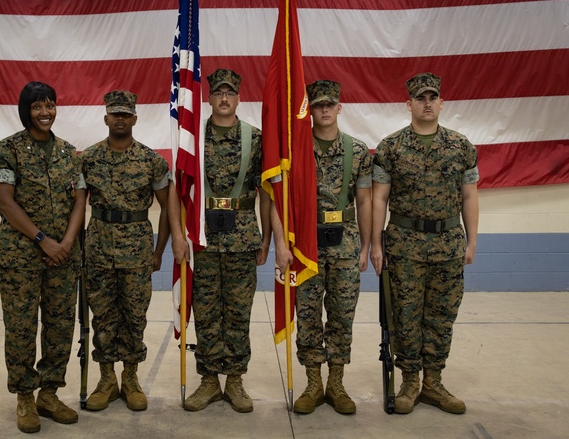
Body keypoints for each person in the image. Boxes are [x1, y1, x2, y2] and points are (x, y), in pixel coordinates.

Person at [168, 68, 281, 413]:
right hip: (202, 237)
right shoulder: (194, 139)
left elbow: (266, 193)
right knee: (205, 311)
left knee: (237, 311)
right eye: (218, 93)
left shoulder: (256, 138)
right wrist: (177, 235)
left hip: (243, 237)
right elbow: (177, 189)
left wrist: (266, 240)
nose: (224, 99)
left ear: (239, 98)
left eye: (230, 93)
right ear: (210, 98)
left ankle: (233, 380)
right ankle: (208, 381)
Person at [370, 72, 479, 415]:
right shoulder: (391, 147)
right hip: (404, 246)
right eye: (420, 98)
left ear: (442, 103)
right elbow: (379, 200)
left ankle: (433, 383)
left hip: (448, 244)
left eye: (433, 97)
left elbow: (469, 197)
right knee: (405, 314)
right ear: (409, 104)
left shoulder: (461, 147)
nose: (427, 103)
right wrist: (375, 244)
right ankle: (409, 382)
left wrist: (472, 241)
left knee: (442, 316)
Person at [0, 81, 87, 433]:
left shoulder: (68, 153)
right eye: (37, 107)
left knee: (60, 327)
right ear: (26, 110)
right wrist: (44, 240)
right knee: (21, 329)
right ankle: (24, 396)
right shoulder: (8, 149)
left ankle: (49, 393)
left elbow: (79, 201)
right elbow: (5, 202)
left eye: (50, 105)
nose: (45, 112)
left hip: (63, 257)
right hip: (21, 259)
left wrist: (66, 243)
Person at [80, 90, 171, 412]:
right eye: (114, 113)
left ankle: (131, 379)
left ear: (134, 118)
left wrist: (160, 252)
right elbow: (77, 208)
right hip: (99, 249)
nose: (120, 119)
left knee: (134, 317)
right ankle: (106, 380)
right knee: (103, 317)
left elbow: (169, 209)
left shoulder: (152, 161)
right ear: (106, 118)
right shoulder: (87, 159)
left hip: (137, 251)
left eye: (125, 114)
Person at [292, 80, 374, 415]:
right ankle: (313, 385)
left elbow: (365, 200)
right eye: (318, 105)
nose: (324, 110)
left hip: (345, 243)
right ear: (310, 110)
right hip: (307, 244)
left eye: (330, 105)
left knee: (342, 315)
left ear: (339, 108)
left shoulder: (358, 152)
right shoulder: (297, 149)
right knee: (308, 315)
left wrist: (367, 246)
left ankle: (336, 384)